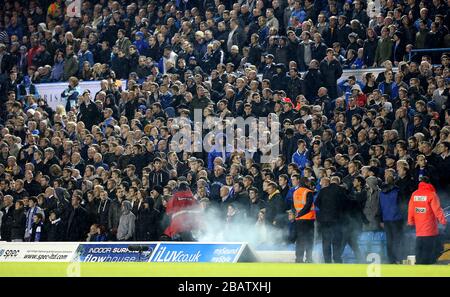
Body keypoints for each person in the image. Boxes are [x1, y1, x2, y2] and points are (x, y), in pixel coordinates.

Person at [408, 176, 447, 264]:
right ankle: (427, 264)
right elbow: (437, 210)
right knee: (429, 249)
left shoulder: (414, 194)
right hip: (430, 228)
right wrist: (443, 221)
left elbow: (411, 209)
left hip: (419, 228)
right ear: (429, 183)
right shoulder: (431, 194)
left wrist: (410, 221)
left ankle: (419, 265)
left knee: (419, 248)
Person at [315, 177, 346, 263]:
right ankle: (337, 259)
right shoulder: (341, 190)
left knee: (326, 241)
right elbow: (346, 204)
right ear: (338, 183)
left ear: (331, 182)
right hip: (337, 219)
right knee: (336, 240)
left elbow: (316, 202)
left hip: (324, 220)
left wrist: (324, 210)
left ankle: (327, 261)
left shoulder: (323, 190)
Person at [379, 174, 404, 264]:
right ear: (394, 181)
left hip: (386, 219)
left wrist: (381, 220)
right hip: (396, 219)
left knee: (389, 240)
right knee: (397, 240)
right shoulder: (397, 191)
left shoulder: (381, 192)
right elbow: (401, 205)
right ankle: (398, 258)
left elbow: (380, 207)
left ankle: (391, 260)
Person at [292, 177, 316, 263]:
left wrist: (297, 215)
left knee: (299, 240)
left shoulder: (295, 192)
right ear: (306, 182)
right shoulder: (308, 192)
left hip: (299, 220)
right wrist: (301, 214)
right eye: (308, 182)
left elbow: (293, 205)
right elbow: (308, 205)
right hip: (308, 219)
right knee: (309, 240)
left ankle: (298, 259)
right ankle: (309, 259)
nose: (310, 184)